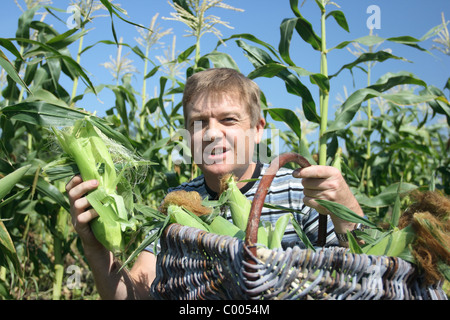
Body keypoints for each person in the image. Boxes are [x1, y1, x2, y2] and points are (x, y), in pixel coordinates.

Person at [66, 68, 365, 300]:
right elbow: (138, 294)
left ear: (257, 130)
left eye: (229, 120)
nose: (212, 133)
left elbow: (364, 275)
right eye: (199, 123)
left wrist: (345, 210)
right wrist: (94, 248)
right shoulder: (177, 202)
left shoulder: (301, 190)